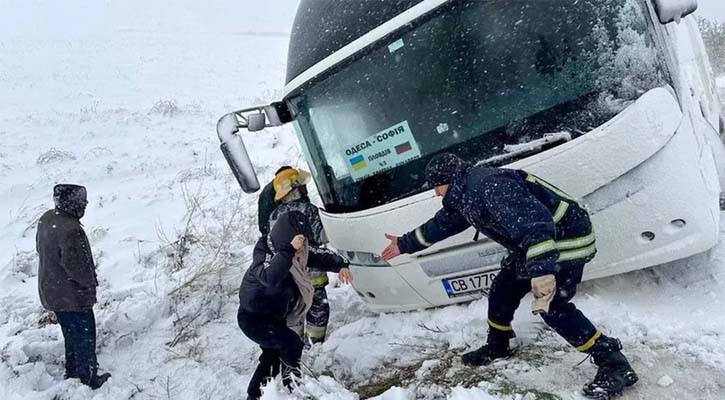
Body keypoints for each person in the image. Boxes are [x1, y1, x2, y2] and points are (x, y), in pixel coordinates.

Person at [381, 154, 638, 400]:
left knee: (552, 306)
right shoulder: (465, 193)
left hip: (563, 241)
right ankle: (498, 345)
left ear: (447, 181)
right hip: (533, 246)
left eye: (436, 188)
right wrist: (404, 244)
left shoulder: (489, 186)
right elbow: (443, 223)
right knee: (502, 290)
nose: (436, 194)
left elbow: (535, 227)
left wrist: (542, 274)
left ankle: (614, 364)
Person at [238, 210, 350, 400]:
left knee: (272, 357)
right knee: (290, 343)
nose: (302, 246)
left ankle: (255, 396)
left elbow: (320, 255)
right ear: (286, 236)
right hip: (253, 318)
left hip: (275, 317)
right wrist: (289, 250)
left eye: (303, 240)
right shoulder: (264, 252)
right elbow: (269, 277)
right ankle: (294, 387)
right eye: (299, 240)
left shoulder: (300, 252)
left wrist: (341, 265)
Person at [36, 184, 111, 389]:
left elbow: (40, 250)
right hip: (72, 295)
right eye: (82, 202)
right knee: (85, 335)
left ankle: (72, 369)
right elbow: (78, 268)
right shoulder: (72, 230)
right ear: (73, 204)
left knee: (70, 332)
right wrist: (90, 286)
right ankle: (88, 376)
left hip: (51, 290)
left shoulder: (47, 219)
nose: (85, 206)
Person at [266, 167, 353, 344]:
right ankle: (315, 345)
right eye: (302, 187)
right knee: (317, 307)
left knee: (296, 310)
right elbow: (321, 236)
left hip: (288, 272)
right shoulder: (308, 210)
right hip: (312, 270)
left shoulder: (273, 215)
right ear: (295, 189)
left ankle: (295, 345)